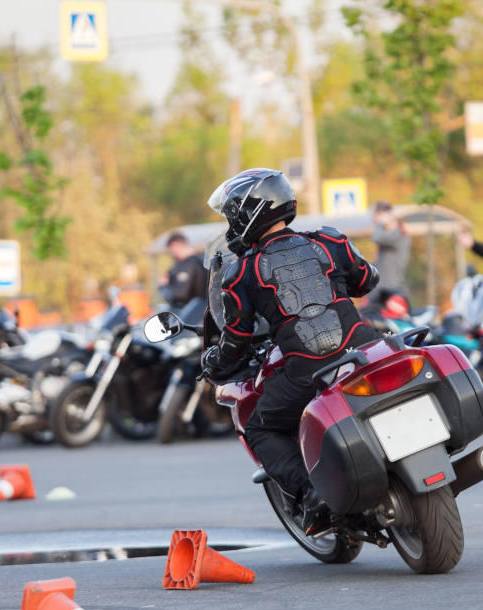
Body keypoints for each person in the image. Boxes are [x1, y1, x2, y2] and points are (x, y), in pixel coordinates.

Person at [201, 168, 379, 534]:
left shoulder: (242, 273)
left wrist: (214, 364)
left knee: (260, 427)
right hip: (365, 352)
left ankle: (315, 496)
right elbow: (367, 280)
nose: (231, 224)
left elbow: (236, 339)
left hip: (308, 371)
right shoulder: (330, 241)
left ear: (248, 214)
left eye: (232, 215)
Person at [371, 200, 410, 300]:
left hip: (393, 291)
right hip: (383, 290)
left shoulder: (398, 234)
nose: (375, 220)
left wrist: (380, 224)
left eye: (377, 216)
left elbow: (377, 237)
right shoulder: (388, 235)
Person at [159, 232, 208, 308]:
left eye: (170, 250)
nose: (171, 253)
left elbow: (181, 294)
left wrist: (164, 286)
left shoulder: (190, 264)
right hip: (200, 309)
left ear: (174, 245)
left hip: (191, 313)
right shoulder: (201, 259)